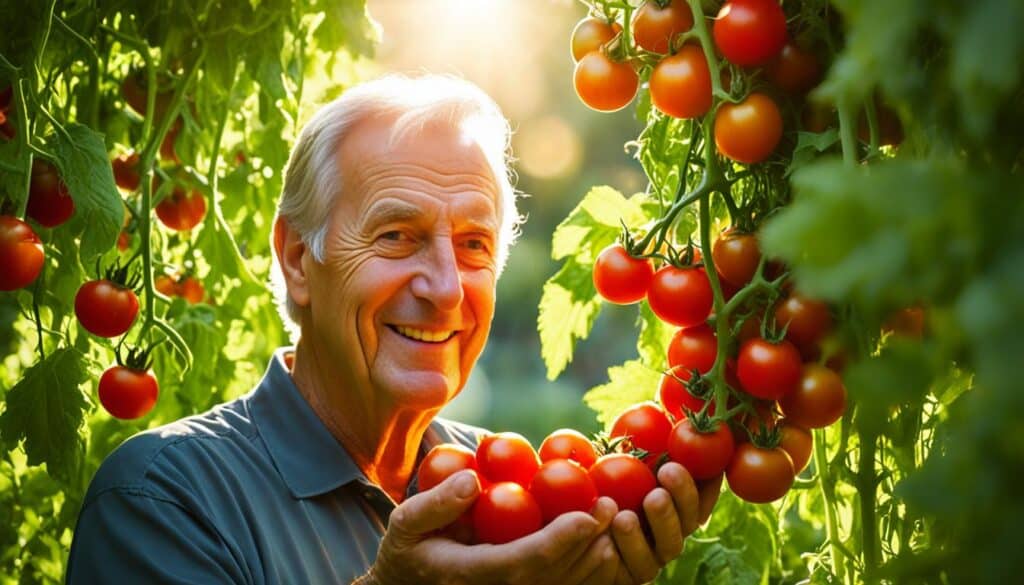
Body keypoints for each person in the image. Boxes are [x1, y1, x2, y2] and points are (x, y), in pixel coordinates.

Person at [65, 74, 722, 584]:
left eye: (472, 245)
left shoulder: (514, 493)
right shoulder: (164, 499)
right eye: (397, 236)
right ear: (299, 259)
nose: (443, 287)